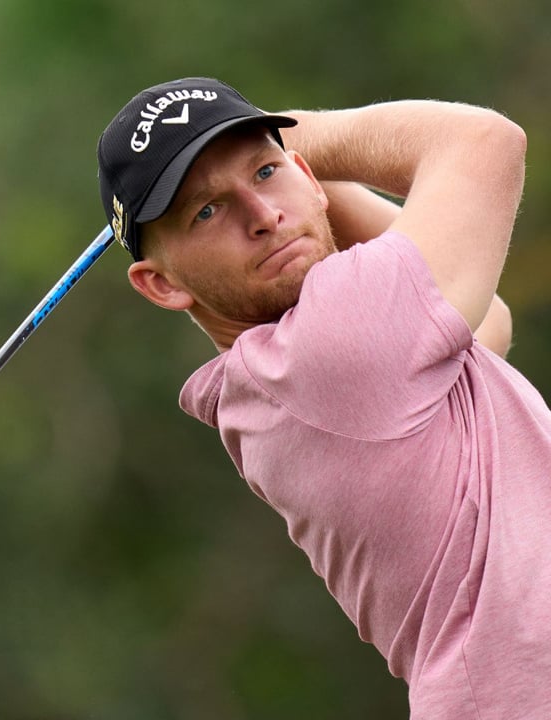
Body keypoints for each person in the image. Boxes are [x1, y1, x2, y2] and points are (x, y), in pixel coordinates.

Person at [97, 77, 539, 717]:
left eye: (266, 173)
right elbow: (485, 142)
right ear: (161, 284)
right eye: (206, 211)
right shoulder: (329, 350)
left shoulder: (284, 384)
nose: (263, 215)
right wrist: (298, 134)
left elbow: (486, 319)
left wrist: (297, 177)